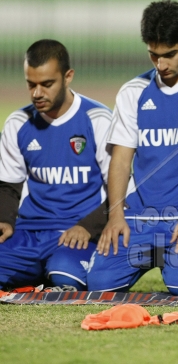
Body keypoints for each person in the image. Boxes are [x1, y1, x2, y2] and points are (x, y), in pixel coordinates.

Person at [87, 0, 178, 296]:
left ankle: (174, 261)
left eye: (169, 54)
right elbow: (120, 161)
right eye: (154, 55)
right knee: (99, 285)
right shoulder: (133, 92)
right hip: (138, 218)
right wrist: (115, 216)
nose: (161, 64)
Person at [0, 39, 111, 291]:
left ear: (68, 76)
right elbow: (9, 186)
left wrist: (88, 226)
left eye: (47, 84)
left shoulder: (98, 119)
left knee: (64, 276)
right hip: (28, 233)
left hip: (77, 234)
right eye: (31, 85)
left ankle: (48, 271)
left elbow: (121, 190)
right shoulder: (18, 122)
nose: (37, 93)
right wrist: (4, 219)